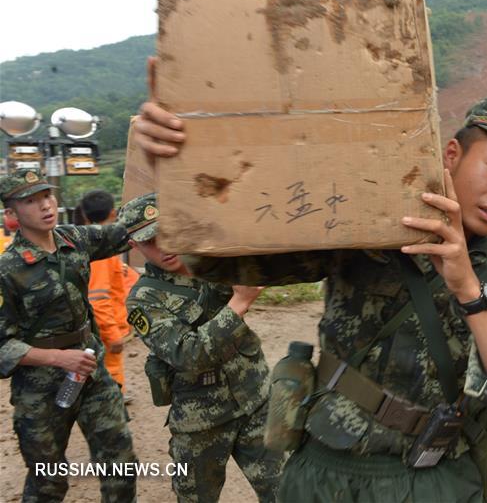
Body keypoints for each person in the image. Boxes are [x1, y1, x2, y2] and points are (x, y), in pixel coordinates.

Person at [134, 90, 487, 502]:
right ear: (452, 155)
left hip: (437, 478)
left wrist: (468, 288)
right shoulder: (364, 229)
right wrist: (180, 164)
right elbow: (224, 255)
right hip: (327, 470)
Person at [119, 192, 283, 502]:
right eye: (150, 240)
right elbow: (188, 354)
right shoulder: (143, 300)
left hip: (256, 398)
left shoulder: (215, 261)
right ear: (134, 246)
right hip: (201, 420)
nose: (164, 245)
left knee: (288, 491)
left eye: (167, 231)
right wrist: (240, 301)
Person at [0, 169, 138, 502]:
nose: (45, 205)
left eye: (47, 196)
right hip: (40, 388)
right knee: (49, 481)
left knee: (120, 464)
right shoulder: (7, 269)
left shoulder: (74, 238)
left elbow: (127, 232)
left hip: (91, 373)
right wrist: (56, 357)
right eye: (30, 201)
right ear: (11, 214)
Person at [77, 189, 132, 397]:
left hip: (100, 325)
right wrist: (113, 334)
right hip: (104, 329)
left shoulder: (86, 241)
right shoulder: (100, 247)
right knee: (109, 369)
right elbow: (98, 297)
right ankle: (113, 398)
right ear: (113, 213)